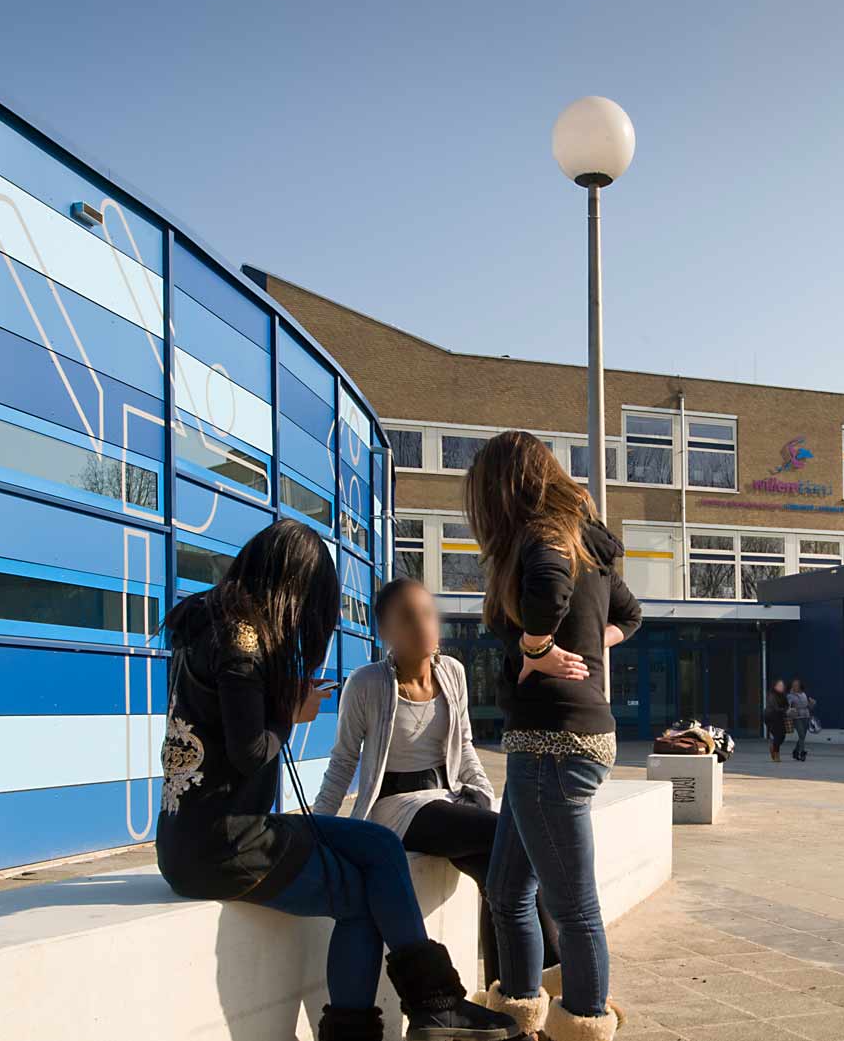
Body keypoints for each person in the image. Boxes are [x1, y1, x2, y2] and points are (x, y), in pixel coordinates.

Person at [155, 520, 518, 1041]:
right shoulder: (243, 640)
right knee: (360, 896)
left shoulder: (205, 620)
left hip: (195, 837)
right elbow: (250, 752)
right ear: (294, 589)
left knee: (376, 845)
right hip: (228, 845)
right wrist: (290, 712)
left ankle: (436, 1005)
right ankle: (429, 1008)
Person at [466, 430, 642, 1041]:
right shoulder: (581, 542)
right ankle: (519, 1013)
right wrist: (589, 645)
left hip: (555, 743)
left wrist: (536, 647)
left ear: (501, 489)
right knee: (508, 890)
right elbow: (630, 613)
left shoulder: (542, 538)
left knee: (573, 908)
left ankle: (585, 1025)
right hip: (556, 743)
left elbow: (545, 592)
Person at [317, 576, 563, 990]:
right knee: (513, 837)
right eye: (408, 618)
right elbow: (343, 761)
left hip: (448, 798)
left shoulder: (452, 672)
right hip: (397, 807)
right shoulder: (367, 684)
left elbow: (464, 745)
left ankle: (508, 1001)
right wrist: (318, 827)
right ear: (385, 631)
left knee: (499, 877)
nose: (424, 626)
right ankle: (558, 974)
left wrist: (483, 795)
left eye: (429, 615)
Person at [786, 678, 814, 762]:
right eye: (794, 685)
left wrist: (812, 703)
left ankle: (795, 751)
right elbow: (788, 706)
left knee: (803, 736)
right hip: (797, 717)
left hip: (806, 716)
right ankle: (802, 752)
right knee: (801, 734)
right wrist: (790, 710)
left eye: (797, 685)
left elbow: (808, 706)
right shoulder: (790, 695)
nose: (795, 686)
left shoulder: (804, 694)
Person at [764, 679, 790, 762]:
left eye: (782, 685)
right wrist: (785, 710)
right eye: (779, 685)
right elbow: (775, 708)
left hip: (780, 717)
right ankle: (776, 755)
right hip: (771, 717)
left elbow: (787, 705)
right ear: (775, 687)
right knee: (777, 736)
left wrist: (788, 709)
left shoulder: (783, 695)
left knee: (782, 735)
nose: (782, 687)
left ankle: (773, 748)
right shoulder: (772, 695)